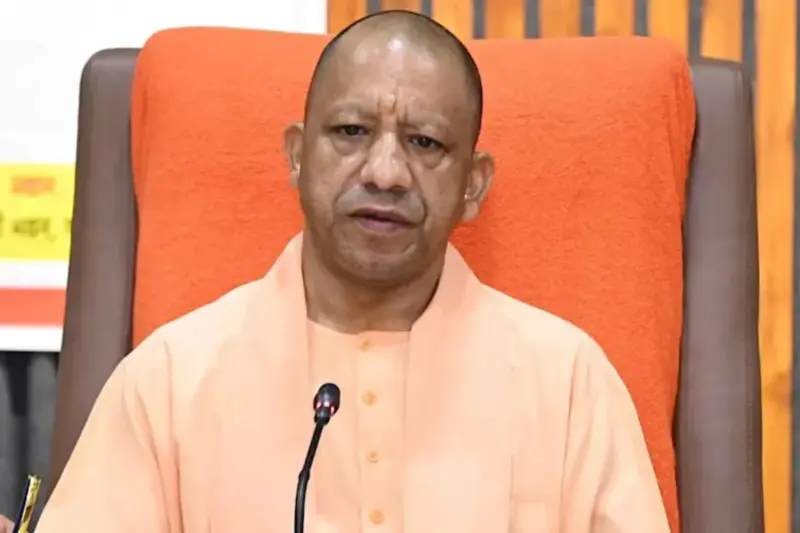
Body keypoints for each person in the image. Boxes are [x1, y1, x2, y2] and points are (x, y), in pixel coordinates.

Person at [22, 9, 669, 533]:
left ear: (473, 186)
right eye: (352, 131)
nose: (385, 173)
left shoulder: (568, 383)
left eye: (424, 142)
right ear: (297, 156)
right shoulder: (170, 382)